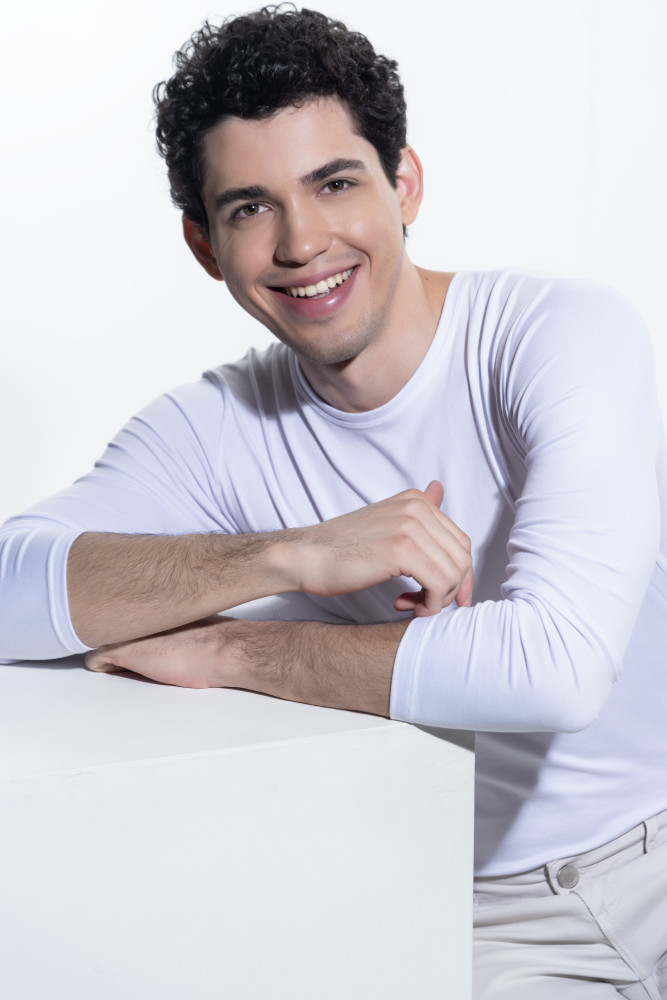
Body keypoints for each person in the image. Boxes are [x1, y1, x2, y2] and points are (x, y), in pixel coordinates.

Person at [1, 5, 666, 996]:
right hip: (474, 914)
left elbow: (554, 669)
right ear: (202, 243)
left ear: (404, 183)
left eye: (334, 183)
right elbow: (9, 586)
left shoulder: (555, 334)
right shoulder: (211, 429)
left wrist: (236, 651)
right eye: (250, 207)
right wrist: (291, 555)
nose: (302, 241)